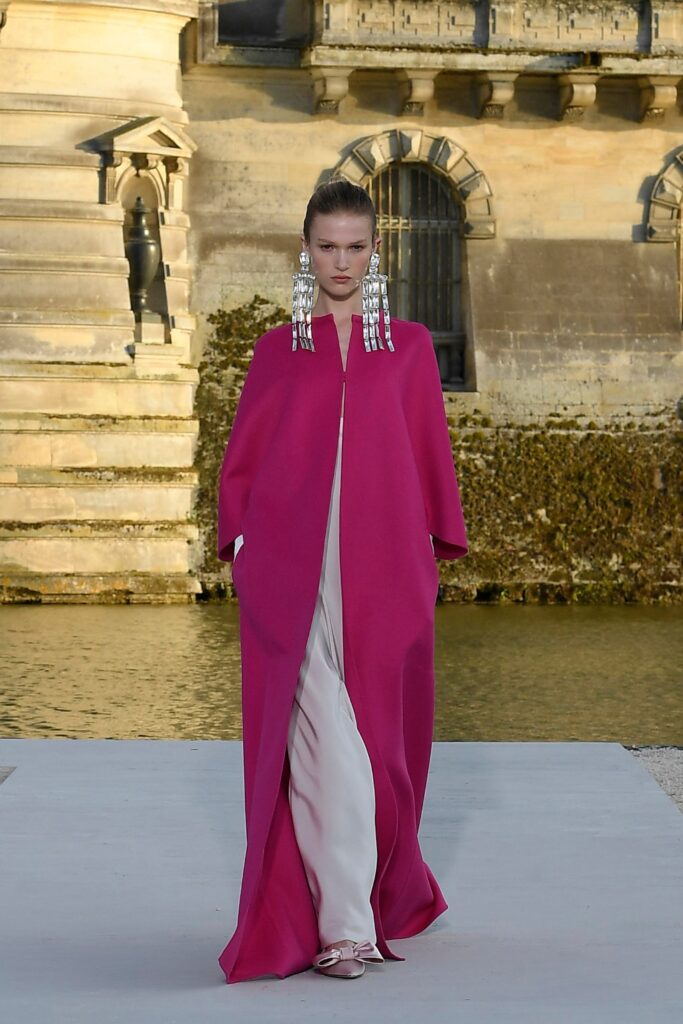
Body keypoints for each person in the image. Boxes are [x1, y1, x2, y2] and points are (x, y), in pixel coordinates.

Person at [216, 179, 468, 984]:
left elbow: (426, 450)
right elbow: (245, 459)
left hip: (383, 566)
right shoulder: (274, 350)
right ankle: (344, 928)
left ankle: (363, 899)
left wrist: (435, 549)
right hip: (289, 571)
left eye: (355, 246)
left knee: (372, 739)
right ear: (306, 248)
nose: (340, 261)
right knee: (322, 726)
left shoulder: (411, 346)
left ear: (374, 251)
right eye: (327, 245)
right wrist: (240, 542)